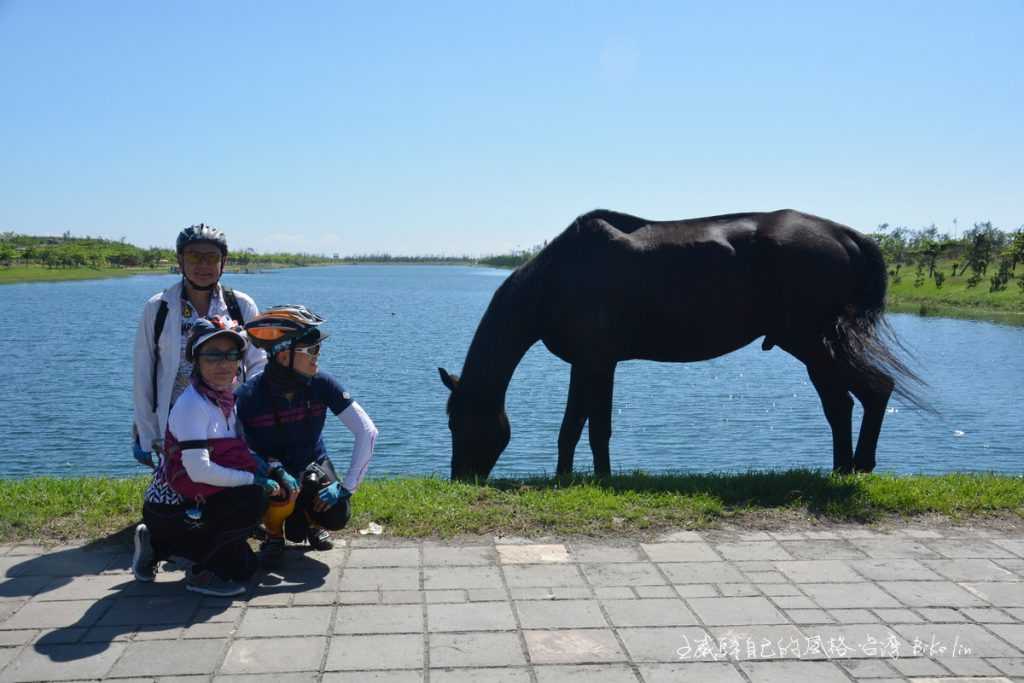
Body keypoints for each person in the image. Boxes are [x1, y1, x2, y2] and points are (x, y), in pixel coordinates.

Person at [131, 317, 282, 597]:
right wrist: (254, 479)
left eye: (231, 354)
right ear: (196, 361)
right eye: (212, 355)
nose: (223, 364)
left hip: (205, 496)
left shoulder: (227, 399)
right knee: (252, 497)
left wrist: (270, 469)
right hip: (175, 505)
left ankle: (159, 545)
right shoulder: (193, 405)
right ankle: (201, 572)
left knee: (246, 567)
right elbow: (199, 471)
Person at [236, 305, 378, 565]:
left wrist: (346, 488)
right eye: (311, 351)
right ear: (282, 357)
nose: (318, 357)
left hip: (311, 464)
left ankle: (310, 521)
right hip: (271, 471)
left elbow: (367, 431)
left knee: (337, 515)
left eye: (318, 349)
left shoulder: (322, 383)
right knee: (268, 496)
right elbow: (234, 447)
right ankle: (273, 534)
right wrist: (271, 469)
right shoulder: (248, 396)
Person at [132, 224, 265, 468]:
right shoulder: (159, 307)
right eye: (194, 256)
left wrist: (255, 416)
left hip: (230, 419)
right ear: (180, 260)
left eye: (211, 257)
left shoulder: (241, 305)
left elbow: (257, 364)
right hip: (175, 419)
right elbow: (144, 373)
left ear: (223, 262)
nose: (203, 265)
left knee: (232, 488)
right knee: (179, 490)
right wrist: (146, 430)